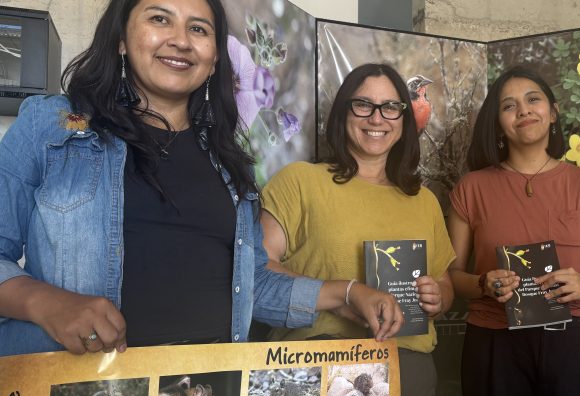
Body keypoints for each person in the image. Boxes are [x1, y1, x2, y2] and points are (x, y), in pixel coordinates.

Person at [0, 0, 403, 357]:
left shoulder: (230, 164)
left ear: (214, 59)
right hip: (87, 391)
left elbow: (252, 285)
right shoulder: (51, 127)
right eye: (160, 19)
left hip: (207, 391)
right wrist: (46, 303)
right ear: (121, 38)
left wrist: (346, 293)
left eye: (198, 28)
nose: (180, 40)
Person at [258, 63, 456, 396]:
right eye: (363, 104)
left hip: (407, 371)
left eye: (390, 107)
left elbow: (444, 281)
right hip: (314, 366)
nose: (377, 118)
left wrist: (437, 297)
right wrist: (343, 294)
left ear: (404, 118)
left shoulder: (423, 200)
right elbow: (257, 272)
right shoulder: (300, 181)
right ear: (343, 112)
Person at [447, 65, 580, 396]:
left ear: (553, 112)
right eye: (509, 106)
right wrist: (483, 283)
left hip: (574, 341)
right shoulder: (472, 188)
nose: (524, 110)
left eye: (533, 100)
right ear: (497, 123)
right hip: (496, 342)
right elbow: (451, 278)